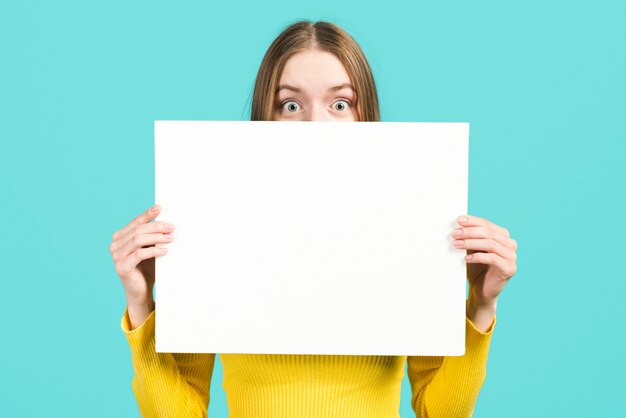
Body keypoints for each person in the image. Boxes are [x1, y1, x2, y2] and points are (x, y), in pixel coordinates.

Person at [109, 20, 518, 418]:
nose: (315, 125)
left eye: (340, 104)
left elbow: (437, 412)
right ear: (265, 118)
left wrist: (481, 305)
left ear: (364, 116)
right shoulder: (217, 224)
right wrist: (141, 302)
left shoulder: (410, 222)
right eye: (291, 105)